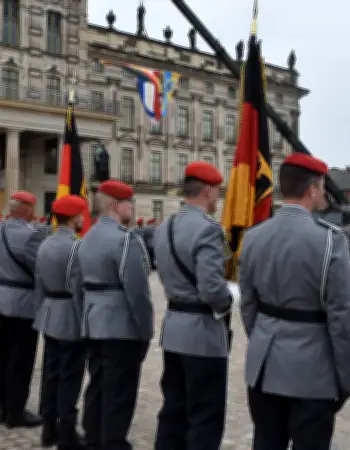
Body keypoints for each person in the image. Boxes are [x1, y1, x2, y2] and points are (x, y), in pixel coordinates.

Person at [239, 153, 350, 450]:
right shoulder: (331, 240)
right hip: (313, 372)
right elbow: (342, 320)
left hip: (264, 367)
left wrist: (263, 338)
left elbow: (248, 305)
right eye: (322, 186)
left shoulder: (254, 236)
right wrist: (345, 379)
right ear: (313, 189)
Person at [153, 161, 234, 450]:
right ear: (209, 191)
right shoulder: (208, 229)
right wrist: (230, 299)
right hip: (201, 333)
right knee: (205, 415)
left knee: (173, 409)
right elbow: (211, 288)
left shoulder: (164, 227)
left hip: (173, 327)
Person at [79, 180, 153, 450]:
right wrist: (145, 330)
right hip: (120, 325)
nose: (131, 208)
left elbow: (77, 285)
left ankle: (92, 436)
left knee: (97, 383)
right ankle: (112, 442)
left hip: (92, 322)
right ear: (114, 205)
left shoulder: (86, 238)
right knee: (119, 390)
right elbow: (137, 292)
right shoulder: (125, 239)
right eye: (128, 202)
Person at [34, 194, 89, 449]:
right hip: (70, 316)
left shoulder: (45, 244)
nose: (82, 219)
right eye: (80, 215)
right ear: (73, 217)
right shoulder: (78, 246)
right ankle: (67, 432)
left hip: (49, 314)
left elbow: (39, 285)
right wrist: (84, 322)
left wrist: (41, 312)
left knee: (50, 374)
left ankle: (48, 428)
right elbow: (78, 289)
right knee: (70, 377)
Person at [0, 191, 45, 428]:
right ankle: (16, 412)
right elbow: (39, 270)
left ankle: (2, 407)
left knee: (3, 356)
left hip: (2, 298)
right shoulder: (32, 235)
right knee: (21, 359)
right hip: (24, 302)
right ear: (27, 210)